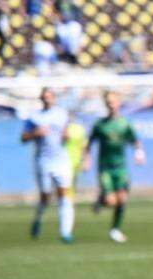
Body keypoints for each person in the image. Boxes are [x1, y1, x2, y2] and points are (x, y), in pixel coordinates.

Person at [84, 91, 145, 243]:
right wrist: (86, 159)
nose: (111, 104)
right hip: (105, 167)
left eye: (113, 101)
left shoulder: (125, 124)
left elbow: (135, 140)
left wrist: (139, 152)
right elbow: (89, 143)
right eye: (108, 102)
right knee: (111, 201)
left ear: (118, 102)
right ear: (105, 104)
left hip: (121, 166)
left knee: (122, 199)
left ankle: (115, 230)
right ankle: (101, 200)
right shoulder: (100, 125)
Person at [21, 87, 76, 243]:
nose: (47, 99)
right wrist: (34, 134)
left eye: (50, 96)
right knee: (46, 197)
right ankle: (38, 218)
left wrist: (67, 135)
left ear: (54, 98)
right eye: (44, 97)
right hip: (44, 161)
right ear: (41, 99)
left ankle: (66, 233)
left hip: (62, 160)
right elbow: (23, 138)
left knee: (64, 195)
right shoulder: (35, 117)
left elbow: (67, 132)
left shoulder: (63, 114)